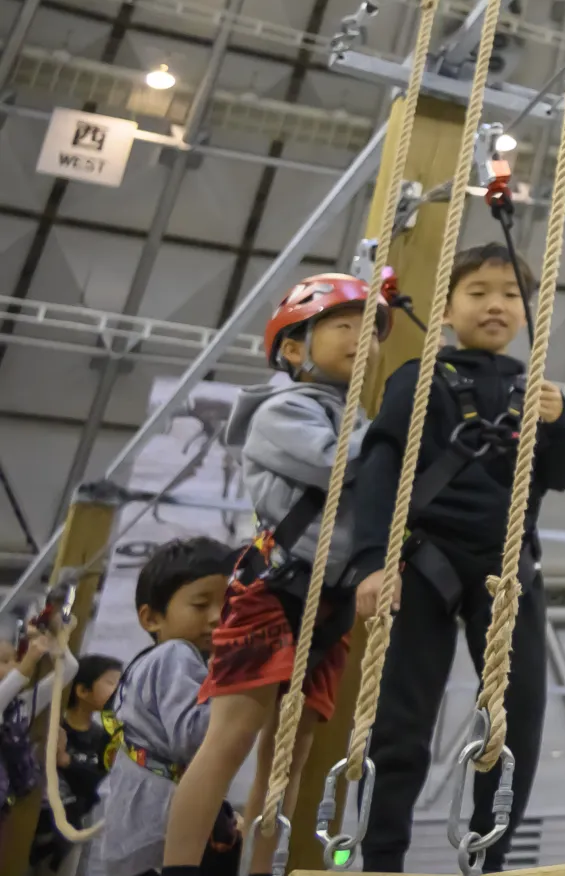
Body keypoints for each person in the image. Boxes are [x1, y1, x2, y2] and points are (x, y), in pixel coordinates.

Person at [347, 243, 565, 870]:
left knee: (517, 725)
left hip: (509, 570)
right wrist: (373, 560)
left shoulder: (535, 389)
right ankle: (379, 859)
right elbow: (379, 466)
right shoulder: (419, 377)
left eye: (510, 295)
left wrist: (561, 419)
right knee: (400, 720)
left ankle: (491, 856)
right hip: (423, 561)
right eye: (479, 292)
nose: (496, 305)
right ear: (449, 309)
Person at [163, 271, 387, 876]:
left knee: (290, 753)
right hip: (276, 589)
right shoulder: (283, 411)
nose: (362, 339)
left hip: (330, 599)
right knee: (231, 737)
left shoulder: (358, 416)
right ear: (293, 349)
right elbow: (345, 465)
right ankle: (181, 868)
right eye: (345, 327)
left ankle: (263, 867)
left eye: (372, 331)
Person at [90, 536, 236, 876]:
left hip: (138, 833)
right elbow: (193, 737)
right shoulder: (176, 655)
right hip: (161, 836)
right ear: (152, 619)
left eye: (227, 606)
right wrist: (241, 694)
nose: (217, 618)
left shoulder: (148, 663)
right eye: (201, 606)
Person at [29, 649, 122, 872]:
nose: (119, 691)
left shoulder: (103, 737)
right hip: (37, 826)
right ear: (82, 690)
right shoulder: (52, 728)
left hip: (75, 828)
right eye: (111, 683)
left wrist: (67, 761)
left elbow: (101, 783)